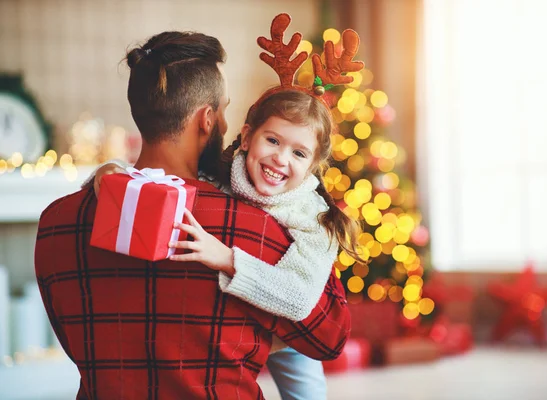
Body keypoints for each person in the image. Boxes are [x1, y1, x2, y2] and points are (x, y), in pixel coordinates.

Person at [35, 29, 351, 400]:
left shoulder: (57, 222)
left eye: (299, 153)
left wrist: (108, 172)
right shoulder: (257, 232)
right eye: (224, 111)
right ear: (207, 119)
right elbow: (330, 337)